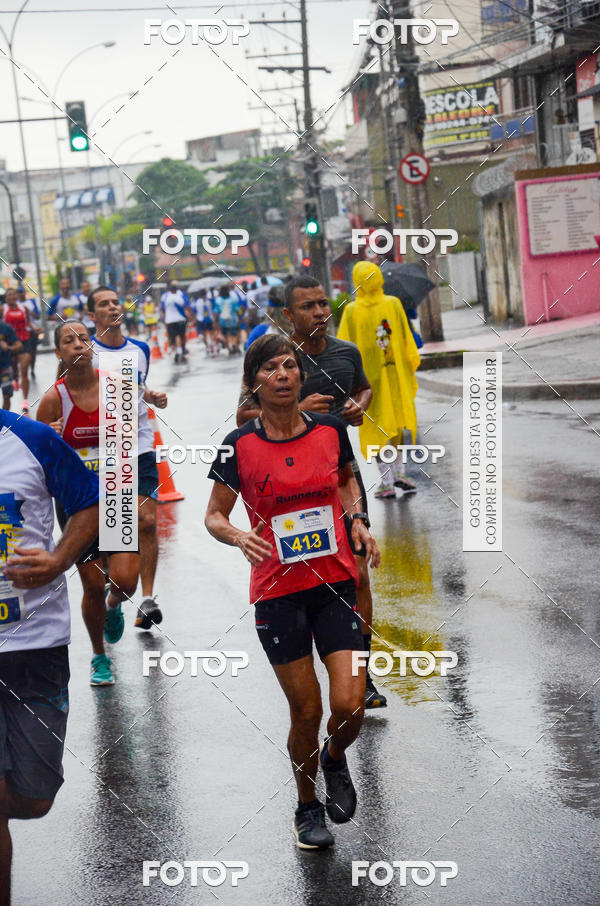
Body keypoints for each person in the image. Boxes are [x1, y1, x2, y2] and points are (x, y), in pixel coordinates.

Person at [206, 334, 380, 850]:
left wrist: (359, 522)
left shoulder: (329, 430)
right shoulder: (239, 445)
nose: (282, 375)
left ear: (301, 376)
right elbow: (214, 514)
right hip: (278, 594)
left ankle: (332, 757)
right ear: (254, 382)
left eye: (290, 366)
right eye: (271, 369)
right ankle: (307, 806)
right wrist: (239, 535)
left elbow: (346, 481)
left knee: (350, 704)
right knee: (305, 711)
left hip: (335, 585)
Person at [237, 275, 387, 709]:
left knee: (358, 576)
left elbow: (363, 384)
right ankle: (307, 657)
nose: (320, 312)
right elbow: (241, 415)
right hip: (286, 485)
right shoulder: (276, 359)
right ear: (289, 314)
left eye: (324, 304)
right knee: (302, 575)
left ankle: (362, 671)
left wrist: (363, 401)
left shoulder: (346, 352)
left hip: (336, 472)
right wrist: (296, 409)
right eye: (308, 307)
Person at [0, 408, 99, 906]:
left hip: (34, 641)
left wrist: (59, 559)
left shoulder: (32, 439)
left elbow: (90, 504)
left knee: (35, 797)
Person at [37, 319, 141, 685]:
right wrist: (51, 440)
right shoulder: (53, 399)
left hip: (117, 495)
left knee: (125, 581)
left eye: (84, 337)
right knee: (93, 585)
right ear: (59, 353)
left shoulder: (117, 389)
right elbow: (41, 465)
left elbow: (133, 443)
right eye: (69, 340)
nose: (79, 344)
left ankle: (115, 606)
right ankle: (99, 657)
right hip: (77, 505)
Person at [88, 286, 167, 632]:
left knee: (147, 519)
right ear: (92, 316)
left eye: (115, 302)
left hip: (141, 446)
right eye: (103, 304)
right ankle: (115, 596)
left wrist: (153, 395)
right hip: (104, 452)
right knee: (114, 532)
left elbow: (137, 386)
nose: (112, 307)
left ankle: (148, 599)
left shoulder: (141, 349)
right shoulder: (85, 353)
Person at [338, 261, 420, 498]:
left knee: (374, 428)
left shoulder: (352, 311)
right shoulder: (393, 304)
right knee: (396, 424)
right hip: (395, 377)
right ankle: (400, 473)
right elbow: (406, 340)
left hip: (366, 384)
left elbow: (344, 346)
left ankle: (385, 481)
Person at [2, 288, 32, 415]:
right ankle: (14, 378)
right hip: (9, 343)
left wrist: (35, 329)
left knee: (24, 370)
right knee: (13, 369)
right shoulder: (3, 309)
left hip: (24, 341)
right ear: (6, 298)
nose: (12, 296)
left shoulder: (23, 307)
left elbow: (29, 323)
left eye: (14, 294)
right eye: (9, 294)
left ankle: (25, 401)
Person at [161, 283, 193, 363]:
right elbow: (187, 306)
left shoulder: (165, 296)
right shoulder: (181, 295)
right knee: (181, 336)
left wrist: (164, 319)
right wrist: (191, 317)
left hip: (170, 320)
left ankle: (177, 351)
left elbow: (162, 309)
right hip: (181, 319)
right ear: (176, 289)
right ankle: (181, 350)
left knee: (174, 336)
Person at [15, 285, 41, 376]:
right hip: (20, 331)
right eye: (18, 292)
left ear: (24, 293)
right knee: (23, 352)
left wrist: (29, 313)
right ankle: (23, 369)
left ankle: (32, 369)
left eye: (22, 292)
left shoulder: (31, 302)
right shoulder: (15, 304)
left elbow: (38, 316)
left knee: (33, 352)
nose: (20, 294)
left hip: (32, 330)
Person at [0, 315, 20, 412]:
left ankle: (2, 420)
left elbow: (18, 345)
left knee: (7, 395)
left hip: (4, 366)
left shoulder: (6, 328)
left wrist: (8, 347)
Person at [213, 283, 241, 354]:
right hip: (233, 320)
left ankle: (229, 349)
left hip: (222, 321)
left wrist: (215, 322)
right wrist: (240, 319)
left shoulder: (218, 300)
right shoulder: (233, 299)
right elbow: (237, 310)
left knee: (225, 335)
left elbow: (216, 312)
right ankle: (234, 344)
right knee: (233, 334)